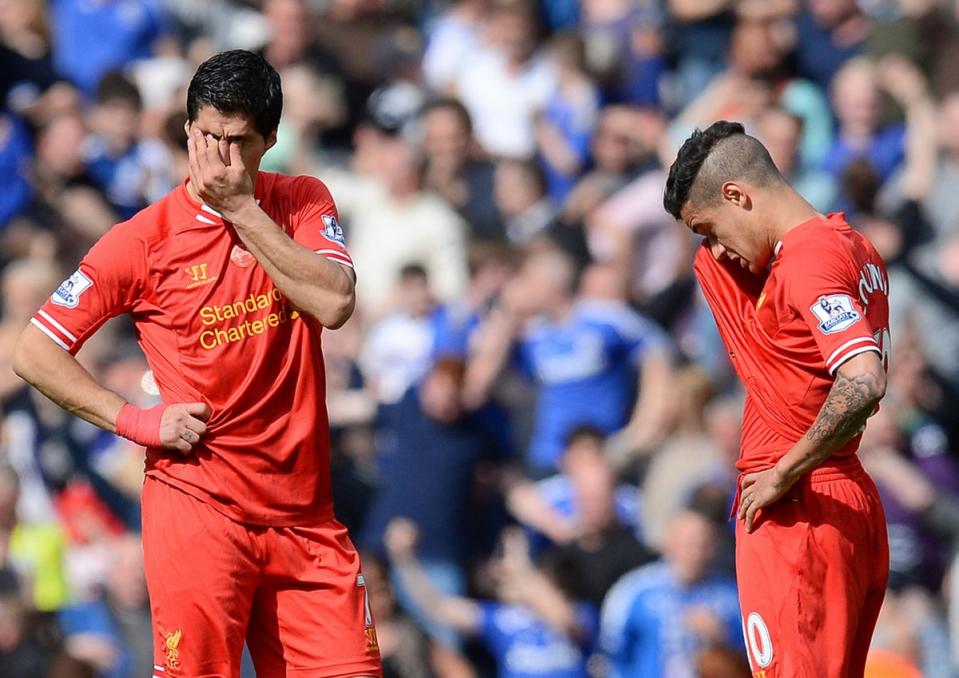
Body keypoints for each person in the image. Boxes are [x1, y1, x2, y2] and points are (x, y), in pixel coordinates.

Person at [12, 50, 381, 677]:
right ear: (186, 131)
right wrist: (135, 421)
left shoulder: (301, 201)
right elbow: (34, 351)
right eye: (207, 136)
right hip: (201, 510)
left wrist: (241, 210)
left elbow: (335, 302)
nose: (219, 158)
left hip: (303, 518)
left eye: (237, 142)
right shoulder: (143, 240)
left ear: (270, 139)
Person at [664, 120, 891, 676]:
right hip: (841, 496)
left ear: (738, 195)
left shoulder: (809, 260)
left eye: (710, 227)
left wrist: (783, 472)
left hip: (801, 507)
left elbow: (863, 379)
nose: (716, 249)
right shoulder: (851, 246)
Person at [599, 509, 742, 678]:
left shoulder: (729, 594)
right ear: (670, 544)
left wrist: (725, 635)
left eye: (703, 545)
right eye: (689, 545)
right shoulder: (635, 591)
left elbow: (754, 653)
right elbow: (610, 649)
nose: (695, 554)